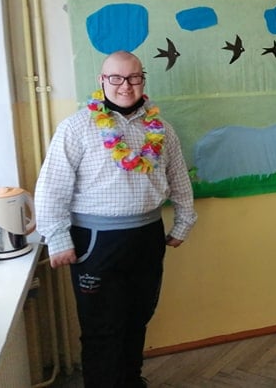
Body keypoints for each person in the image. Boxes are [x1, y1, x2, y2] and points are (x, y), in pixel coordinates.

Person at [35, 51, 197, 387]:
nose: (126, 86)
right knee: (101, 327)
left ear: (143, 80)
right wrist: (58, 238)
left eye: (134, 77)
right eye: (116, 78)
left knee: (137, 318)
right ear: (102, 81)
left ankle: (131, 382)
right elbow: (52, 187)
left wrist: (184, 222)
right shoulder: (77, 127)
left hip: (148, 236)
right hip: (96, 242)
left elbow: (179, 179)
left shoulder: (162, 130)